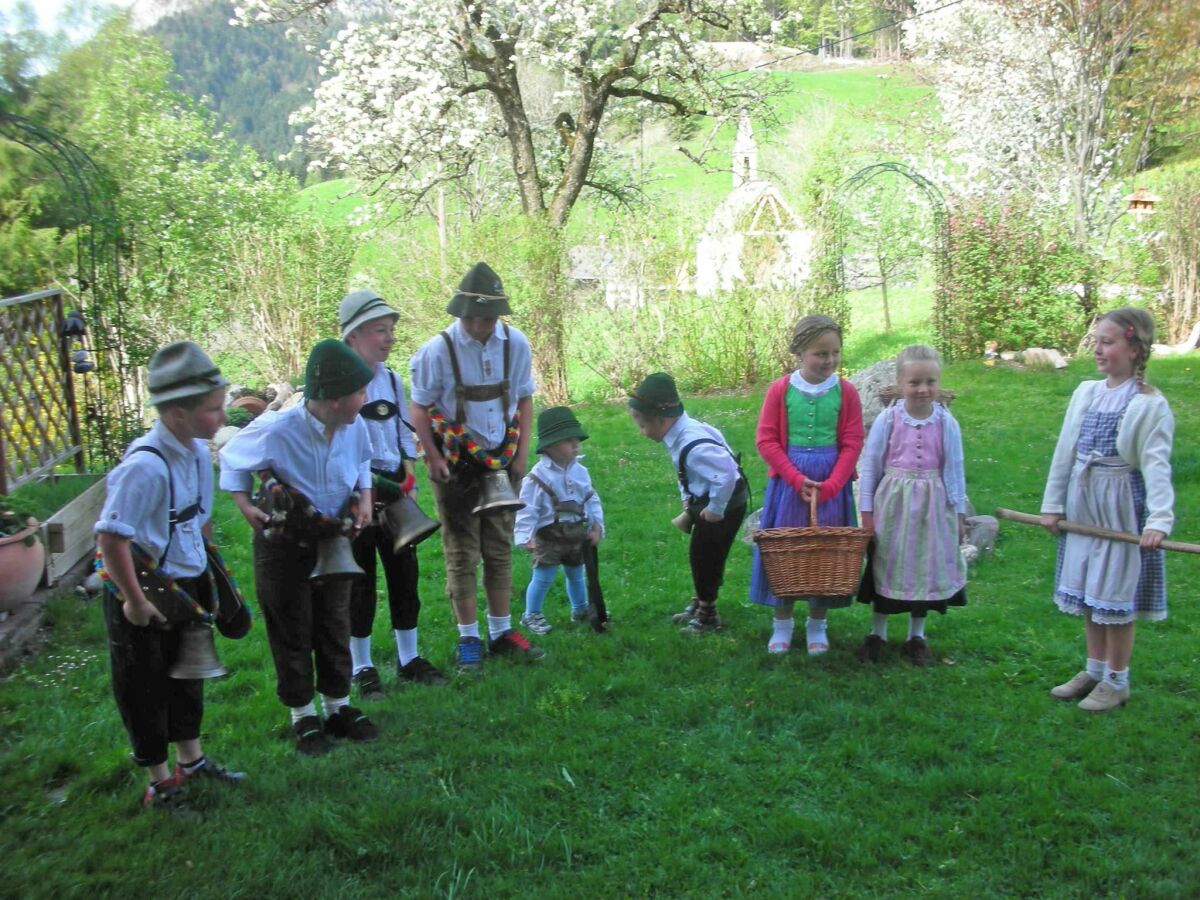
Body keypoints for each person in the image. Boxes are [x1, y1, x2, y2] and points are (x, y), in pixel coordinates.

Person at [95, 341, 245, 815]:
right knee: (146, 687)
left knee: (186, 679)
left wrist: (211, 575)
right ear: (176, 413)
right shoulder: (143, 467)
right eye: (211, 409)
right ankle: (159, 783)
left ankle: (192, 761)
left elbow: (197, 519)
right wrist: (135, 602)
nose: (222, 418)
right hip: (140, 593)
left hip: (187, 586)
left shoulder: (198, 454)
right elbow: (111, 541)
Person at [220, 339, 379, 754]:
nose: (365, 399)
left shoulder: (353, 426)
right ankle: (303, 715)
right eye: (359, 393)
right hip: (284, 540)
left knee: (334, 621)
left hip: (334, 537)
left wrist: (364, 496)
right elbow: (231, 456)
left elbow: (362, 460)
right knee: (292, 625)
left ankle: (337, 706)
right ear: (333, 398)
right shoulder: (278, 428)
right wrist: (241, 503)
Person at [408, 262, 541, 672]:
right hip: (455, 462)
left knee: (499, 546)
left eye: (488, 317)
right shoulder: (437, 351)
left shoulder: (514, 344)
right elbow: (420, 406)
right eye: (474, 318)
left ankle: (501, 632)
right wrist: (431, 457)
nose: (481, 325)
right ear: (460, 313)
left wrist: (521, 455)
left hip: (501, 455)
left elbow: (523, 399)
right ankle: (468, 638)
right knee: (461, 549)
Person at [1040, 308, 1174, 712]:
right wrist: (1053, 505)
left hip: (1119, 509)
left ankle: (1117, 681)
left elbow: (1157, 466)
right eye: (1096, 340)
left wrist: (1159, 521)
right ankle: (1094, 669)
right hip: (1084, 508)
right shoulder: (1086, 392)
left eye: (1108, 341)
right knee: (1089, 591)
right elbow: (1065, 452)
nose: (1098, 349)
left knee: (1114, 595)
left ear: (1134, 349)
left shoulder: (1150, 406)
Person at [339, 289, 447, 696]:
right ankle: (362, 666)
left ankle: (409, 658)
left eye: (391, 331)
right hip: (353, 493)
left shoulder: (390, 379)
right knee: (360, 579)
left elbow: (404, 430)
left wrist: (409, 475)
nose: (389, 338)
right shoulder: (340, 381)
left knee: (405, 574)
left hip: (394, 486)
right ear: (353, 336)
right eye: (380, 331)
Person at [750, 315, 864, 655]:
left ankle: (818, 625)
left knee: (825, 553)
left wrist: (831, 485)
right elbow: (766, 441)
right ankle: (782, 624)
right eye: (820, 353)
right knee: (784, 551)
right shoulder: (780, 390)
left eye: (835, 353)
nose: (829, 361)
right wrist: (795, 477)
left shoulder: (846, 392)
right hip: (790, 482)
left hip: (831, 481)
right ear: (799, 352)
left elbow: (853, 441)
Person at [855, 344, 968, 666]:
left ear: (939, 383)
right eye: (915, 382)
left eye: (930, 382)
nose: (923, 389)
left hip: (932, 506)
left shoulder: (946, 423)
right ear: (901, 383)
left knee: (924, 565)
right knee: (887, 563)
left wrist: (958, 513)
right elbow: (871, 466)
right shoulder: (888, 420)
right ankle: (877, 632)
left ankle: (916, 636)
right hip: (893, 505)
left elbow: (955, 469)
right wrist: (866, 513)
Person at [629, 372, 748, 634]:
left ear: (662, 420)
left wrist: (716, 510)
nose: (641, 432)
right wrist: (687, 498)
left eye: (642, 425)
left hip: (723, 502)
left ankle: (708, 615)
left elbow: (727, 474)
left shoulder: (693, 444)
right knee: (704, 556)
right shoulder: (684, 433)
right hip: (709, 499)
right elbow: (686, 471)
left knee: (705, 557)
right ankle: (701, 601)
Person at [514, 406, 605, 633]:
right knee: (543, 576)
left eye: (577, 440)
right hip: (548, 536)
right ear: (551, 445)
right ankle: (531, 615)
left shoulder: (580, 472)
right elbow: (527, 509)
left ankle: (580, 609)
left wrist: (596, 526)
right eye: (569, 441)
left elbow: (591, 499)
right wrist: (525, 536)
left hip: (576, 532)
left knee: (576, 574)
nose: (576, 445)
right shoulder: (537, 477)